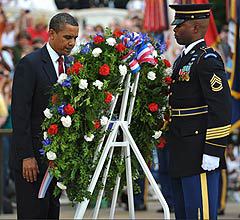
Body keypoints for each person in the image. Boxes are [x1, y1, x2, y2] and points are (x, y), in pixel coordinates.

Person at [11, 12, 79, 219]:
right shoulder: (29, 64)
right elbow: (20, 113)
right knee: (33, 214)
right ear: (51, 34)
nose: (72, 43)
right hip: (31, 162)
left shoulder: (71, 66)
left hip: (56, 162)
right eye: (67, 37)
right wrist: (27, 156)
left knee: (51, 213)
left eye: (75, 38)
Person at [168, 4, 231, 220]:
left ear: (195, 28)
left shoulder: (207, 60)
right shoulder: (182, 59)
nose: (174, 29)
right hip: (181, 149)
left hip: (198, 152)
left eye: (179, 25)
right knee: (185, 214)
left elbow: (221, 108)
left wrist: (213, 151)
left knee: (200, 213)